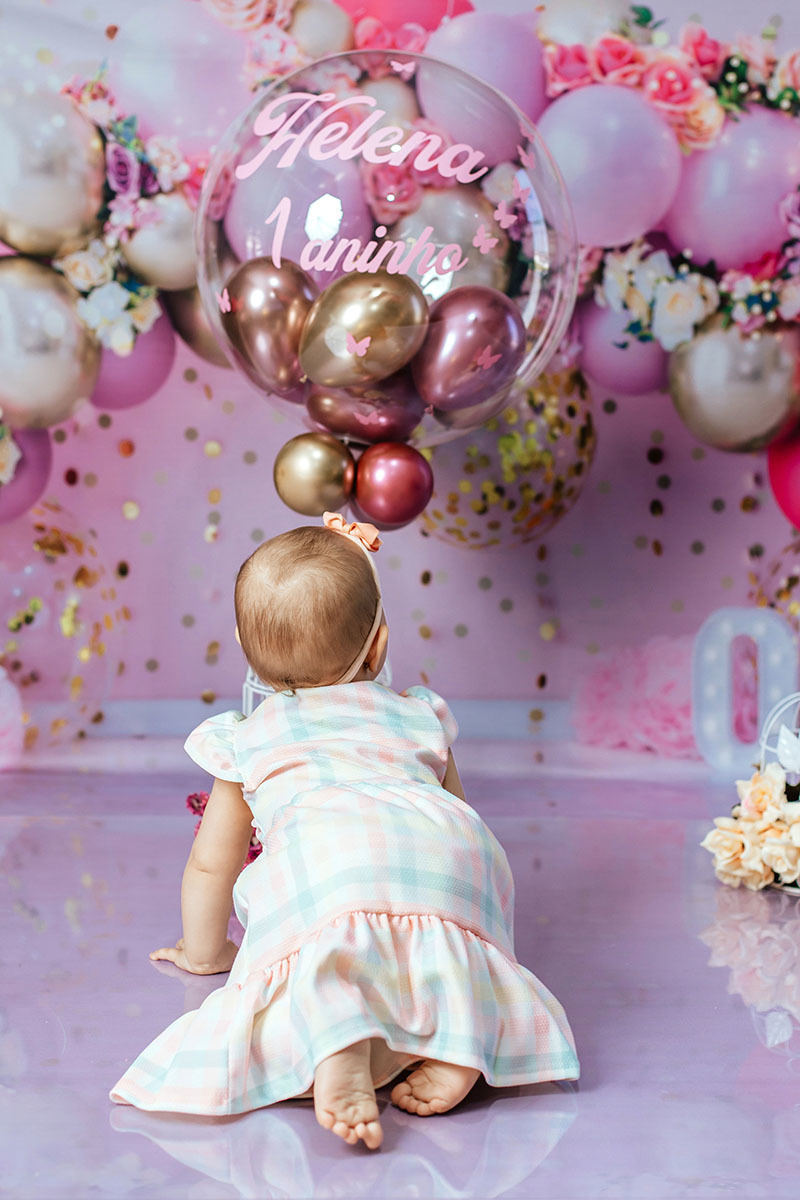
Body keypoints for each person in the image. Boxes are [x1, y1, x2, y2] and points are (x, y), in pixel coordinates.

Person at [110, 512, 579, 1149]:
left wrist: (205, 953)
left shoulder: (248, 739)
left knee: (328, 951)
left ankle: (340, 1043)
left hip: (331, 859)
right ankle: (461, 1037)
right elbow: (455, 811)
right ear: (379, 646)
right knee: (446, 934)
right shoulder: (419, 714)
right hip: (449, 854)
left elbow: (211, 865)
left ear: (247, 652)